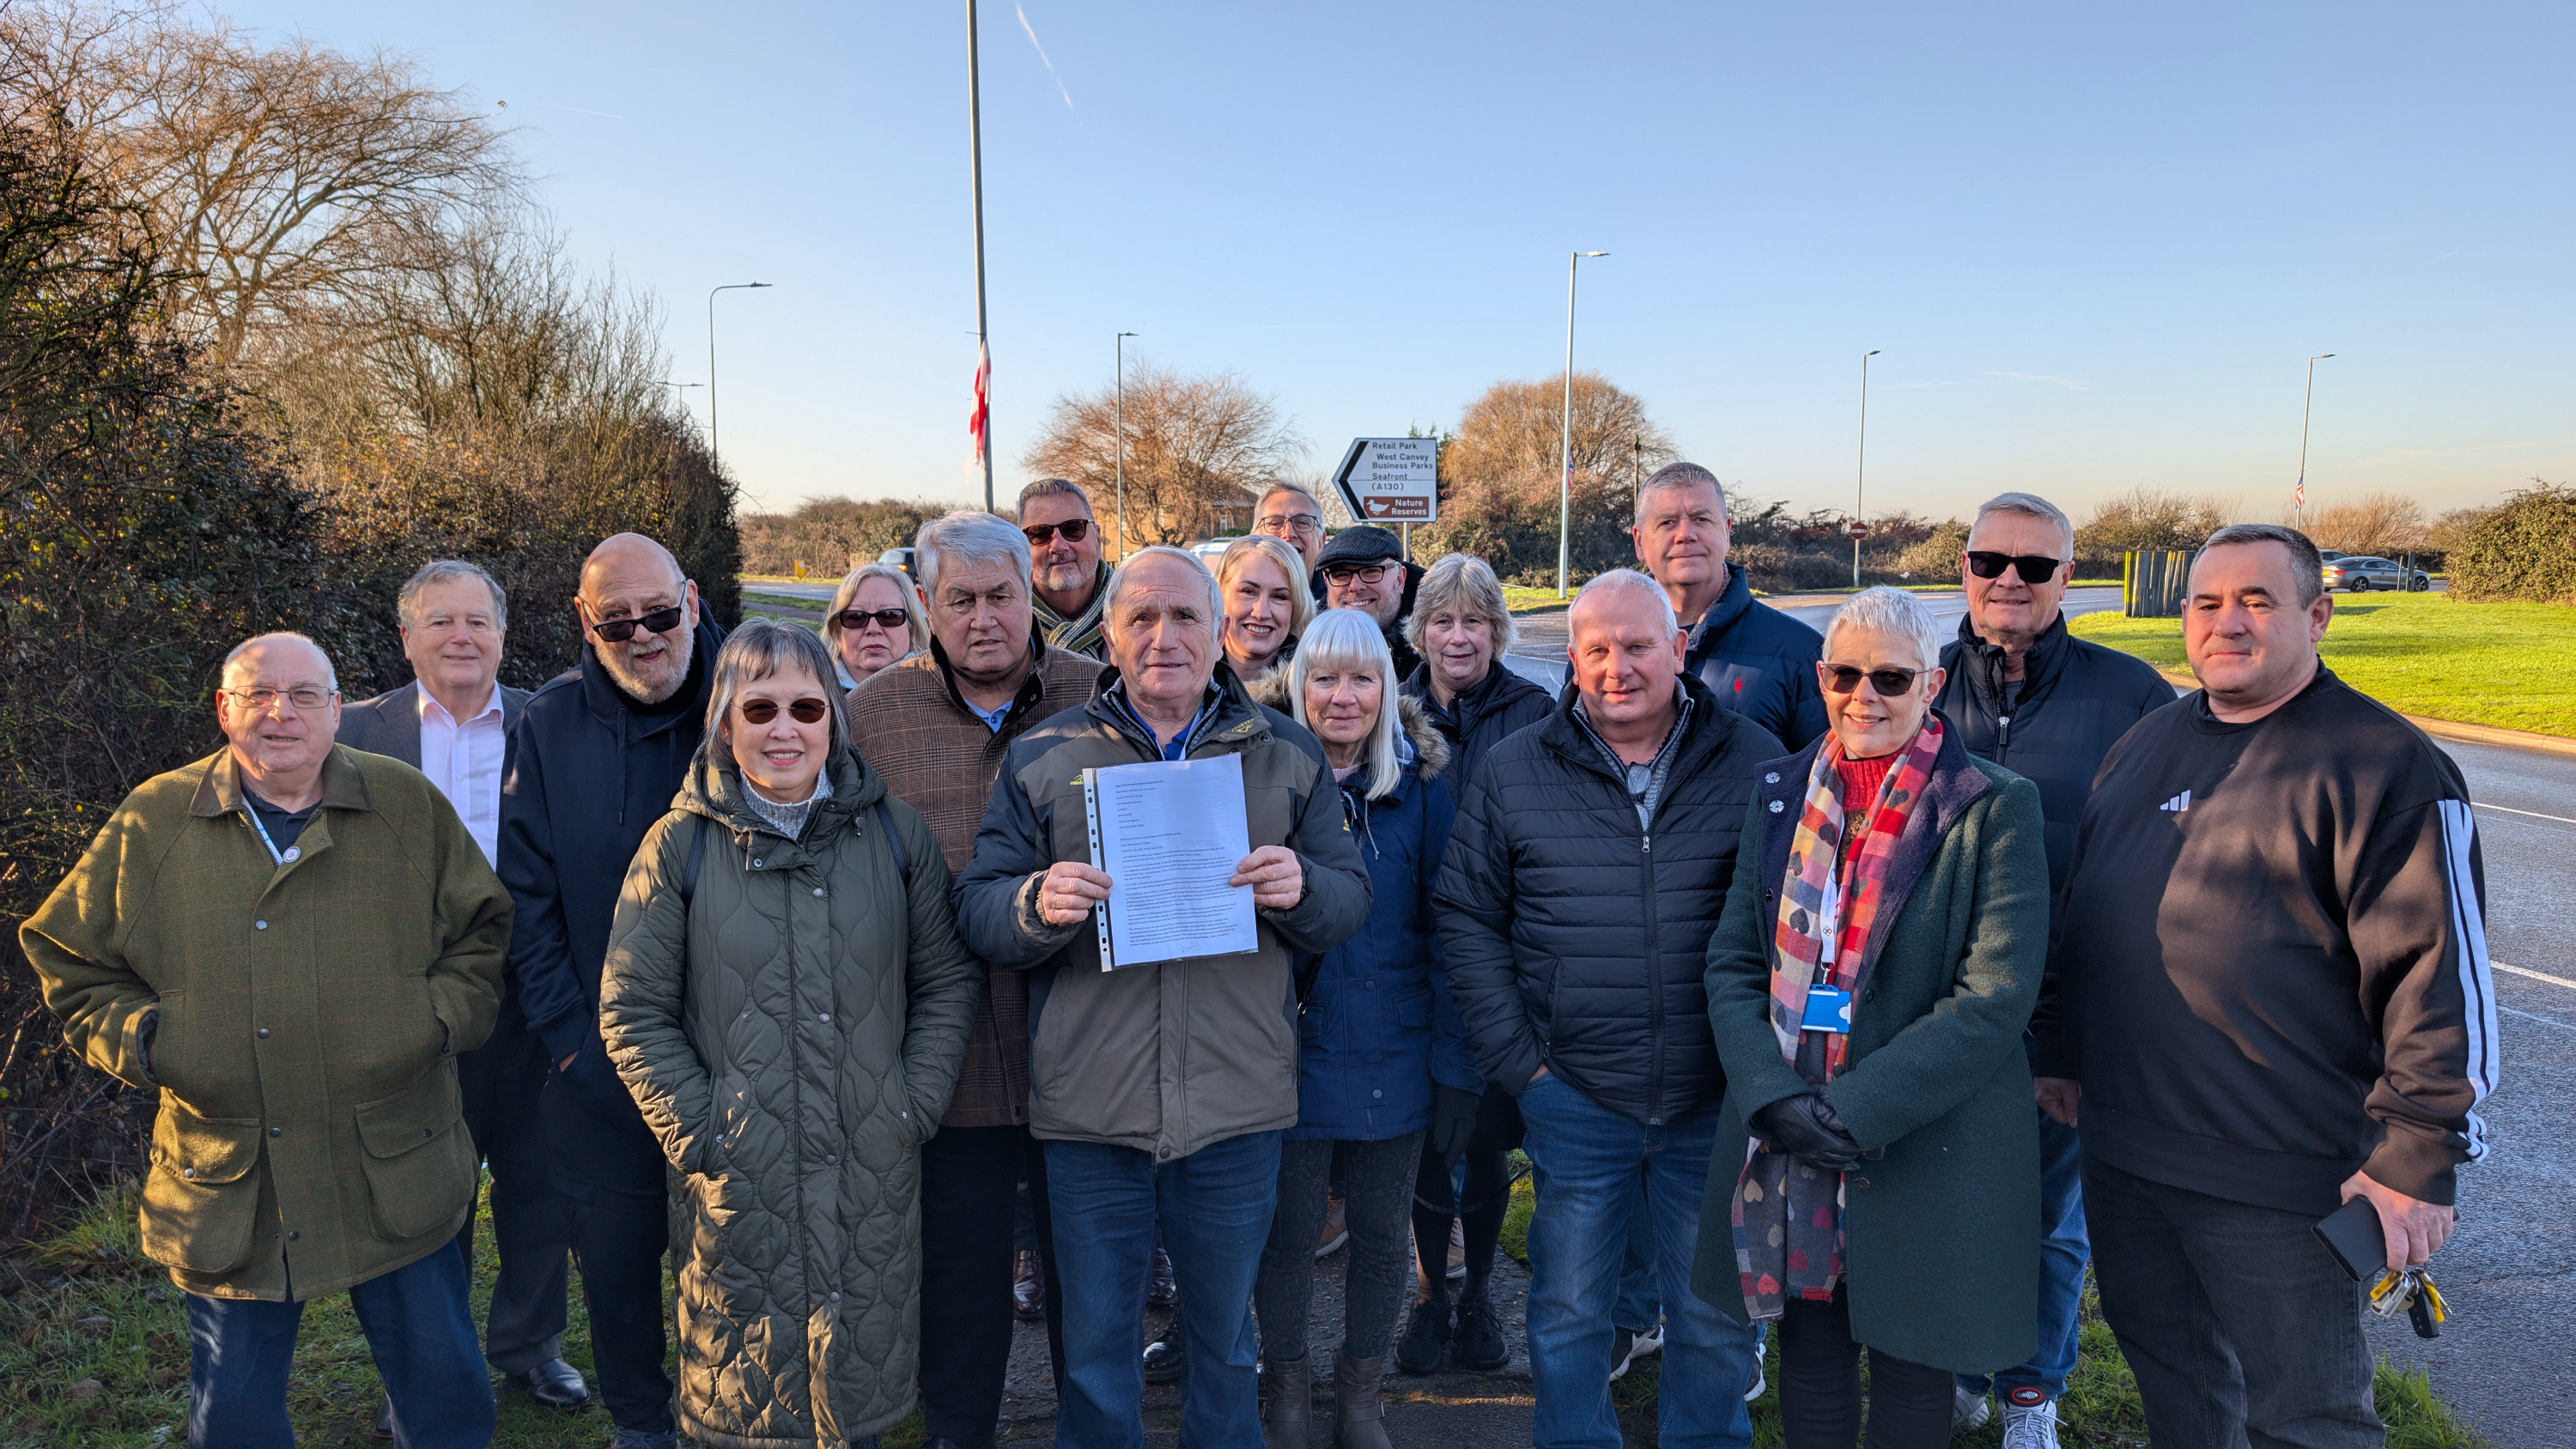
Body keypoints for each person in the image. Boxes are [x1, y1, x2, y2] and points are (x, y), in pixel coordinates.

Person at [2030, 525, 2495, 1449]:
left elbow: (2440, 979)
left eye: (2257, 600)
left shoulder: (2383, 764)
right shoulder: (2145, 743)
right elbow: (2088, 914)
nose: (2226, 623)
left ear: (2316, 615)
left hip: (2282, 1173)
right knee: (2179, 1384)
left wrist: (2419, 1153)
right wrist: (2062, 1051)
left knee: (2307, 1416)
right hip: (2129, 1152)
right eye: (2207, 602)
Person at [21, 632, 512, 1449]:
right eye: (257, 695)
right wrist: (148, 1042)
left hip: (395, 1158)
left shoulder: (405, 804)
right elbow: (67, 957)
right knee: (235, 1419)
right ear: (224, 709)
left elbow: (482, 934)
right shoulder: (153, 820)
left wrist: (434, 1023)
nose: (280, 713)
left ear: (336, 708)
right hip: (231, 1177)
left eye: (304, 695)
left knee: (448, 1394)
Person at [957, 546, 1371, 1449]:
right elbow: (981, 906)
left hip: (1235, 1106)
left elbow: (1350, 899)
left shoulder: (1286, 752)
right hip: (1091, 1109)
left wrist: (1303, 885)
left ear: (1219, 632)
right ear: (1108, 633)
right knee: (1098, 1348)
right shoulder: (1044, 755)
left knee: (1224, 1342)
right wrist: (1035, 904)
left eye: (1185, 616)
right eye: (1141, 617)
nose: (1164, 636)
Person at [597, 619, 981, 1449]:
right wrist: (702, 1130)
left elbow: (947, 982)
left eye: (806, 708)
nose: (784, 729)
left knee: (855, 1400)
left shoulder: (892, 836)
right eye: (759, 708)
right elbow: (630, 1009)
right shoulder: (680, 846)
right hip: (741, 1180)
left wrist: (908, 1106)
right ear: (725, 722)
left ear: (834, 720)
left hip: (868, 1168)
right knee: (748, 1400)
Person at [1693, 586, 2050, 1449]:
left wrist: (1847, 1112)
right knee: (1810, 1348)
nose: (1866, 696)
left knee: (1911, 1361)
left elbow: (1993, 996)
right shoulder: (1779, 791)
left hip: (1923, 1137)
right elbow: (1735, 957)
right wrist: (1770, 1096)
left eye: (1891, 677)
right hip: (1789, 1128)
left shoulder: (1993, 803)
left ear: (1930, 685)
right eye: (1846, 673)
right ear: (1820, 677)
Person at [1438, 568, 1779, 1449]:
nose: (1618, 667)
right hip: (1576, 1093)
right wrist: (1525, 1065)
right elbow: (1467, 913)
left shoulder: (1753, 759)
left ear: (1679, 646)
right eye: (1598, 649)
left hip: (1712, 1095)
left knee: (1712, 1319)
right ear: (1573, 660)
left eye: (1638, 645)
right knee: (1567, 1311)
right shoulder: (1517, 768)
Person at [846, 509, 1099, 1449]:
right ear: (924, 603)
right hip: (944, 1060)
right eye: (961, 599)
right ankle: (961, 1432)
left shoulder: (1095, 693)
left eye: (1003, 595)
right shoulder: (872, 715)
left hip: (1081, 1049)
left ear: (1032, 593)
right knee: (958, 1287)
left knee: (1089, 1281)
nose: (985, 617)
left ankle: (1093, 1426)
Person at [1928, 494, 2174, 1445]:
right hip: (1931, 1013)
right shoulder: (1920, 681)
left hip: (2059, 1016)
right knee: (1945, 1197)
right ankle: (1953, 1364)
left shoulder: (2134, 695)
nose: (2010, 582)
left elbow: (2162, 861)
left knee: (2044, 1212)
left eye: (2037, 565)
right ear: (1965, 567)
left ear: (2070, 579)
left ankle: (2032, 1387)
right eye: (1992, 560)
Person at [337, 562, 590, 1430]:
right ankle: (426, 1366)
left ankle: (530, 1345)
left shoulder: (547, 721)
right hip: (406, 1001)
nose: (461, 636)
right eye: (441, 620)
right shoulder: (351, 731)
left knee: (537, 1176)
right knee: (418, 1191)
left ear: (503, 635)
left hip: (529, 993)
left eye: (478, 620)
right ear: (405, 636)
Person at [502, 531, 726, 1449]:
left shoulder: (750, 697)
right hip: (606, 1072)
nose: (643, 635)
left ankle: (740, 1416)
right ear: (583, 623)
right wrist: (570, 1041)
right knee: (619, 1271)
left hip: (738, 1062)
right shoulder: (549, 725)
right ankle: (641, 1420)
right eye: (616, 621)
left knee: (737, 1268)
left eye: (661, 613)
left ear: (695, 598)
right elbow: (526, 896)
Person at [1246, 609, 1481, 1449]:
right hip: (1289, 1051)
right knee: (1288, 1236)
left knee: (1383, 1234)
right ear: (1297, 683)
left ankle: (1359, 1393)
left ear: (1386, 688)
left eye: (1362, 678)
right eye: (1324, 677)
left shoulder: (1419, 789)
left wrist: (1458, 1059)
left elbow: (1455, 930)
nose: (1342, 696)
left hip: (1396, 1047)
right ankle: (1287, 1390)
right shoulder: (1260, 778)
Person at [1392, 552, 1552, 1376]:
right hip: (1413, 957)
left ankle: (1482, 1290)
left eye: (1476, 621)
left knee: (1487, 1139)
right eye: (1444, 621)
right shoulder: (1395, 707)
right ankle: (1429, 1294)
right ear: (1421, 630)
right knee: (1426, 1140)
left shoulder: (1536, 710)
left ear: (1498, 629)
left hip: (1503, 961)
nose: (1460, 636)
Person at [1631, 462, 1826, 749]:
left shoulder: (1801, 655)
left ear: (1727, 531)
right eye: (1667, 522)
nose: (1685, 534)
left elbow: (1822, 782)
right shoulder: (1601, 648)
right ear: (1639, 542)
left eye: (1701, 519)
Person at [1311, 524, 1425, 682]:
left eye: (1371, 571)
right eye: (1342, 574)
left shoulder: (1436, 649)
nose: (1355, 587)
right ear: (1327, 583)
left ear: (1400, 580)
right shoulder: (1305, 645)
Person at [1020, 478, 1112, 658]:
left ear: (1098, 540)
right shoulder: (1002, 625)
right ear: (1021, 548)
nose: (1059, 546)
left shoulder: (1142, 609)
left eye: (1073, 529)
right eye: (1040, 535)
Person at [1218, 533, 1314, 682]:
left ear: (1296, 606)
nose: (1261, 613)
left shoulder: (1314, 691)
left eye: (1279, 597)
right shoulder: (1182, 680)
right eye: (1248, 592)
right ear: (1219, 594)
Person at [825, 560, 932, 688]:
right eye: (856, 617)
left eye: (889, 616)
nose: (873, 629)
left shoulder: (942, 697)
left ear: (911, 628)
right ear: (837, 630)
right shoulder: (812, 698)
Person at [1251, 480, 1329, 575]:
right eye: (1275, 523)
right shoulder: (1230, 588)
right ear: (1252, 541)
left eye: (1302, 522)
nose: (1288, 533)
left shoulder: (1345, 589)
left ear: (1320, 542)